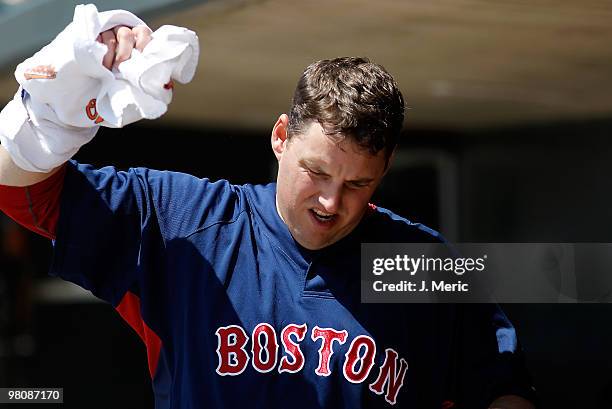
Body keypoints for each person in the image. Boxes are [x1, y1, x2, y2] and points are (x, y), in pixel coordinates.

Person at [0, 20, 536, 409]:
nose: (331, 202)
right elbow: (21, 192)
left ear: (386, 168)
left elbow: (501, 387)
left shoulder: (419, 265)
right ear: (280, 137)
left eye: (358, 184)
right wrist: (49, 116)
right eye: (318, 173)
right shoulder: (186, 223)